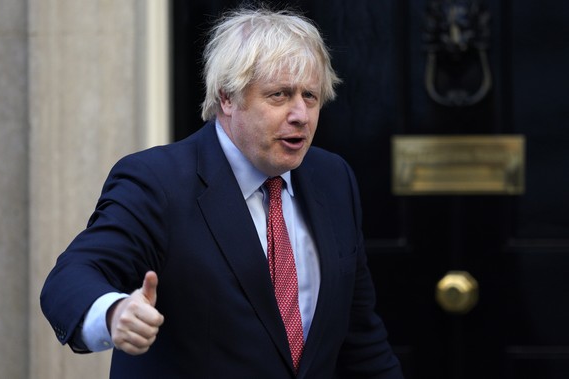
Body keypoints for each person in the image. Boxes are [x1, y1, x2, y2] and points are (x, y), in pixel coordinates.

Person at [40, 5, 404, 378]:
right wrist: (114, 313)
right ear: (226, 98)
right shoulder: (157, 182)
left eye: (309, 96)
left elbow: (362, 342)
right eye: (279, 95)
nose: (301, 114)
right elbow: (72, 276)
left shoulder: (334, 179)